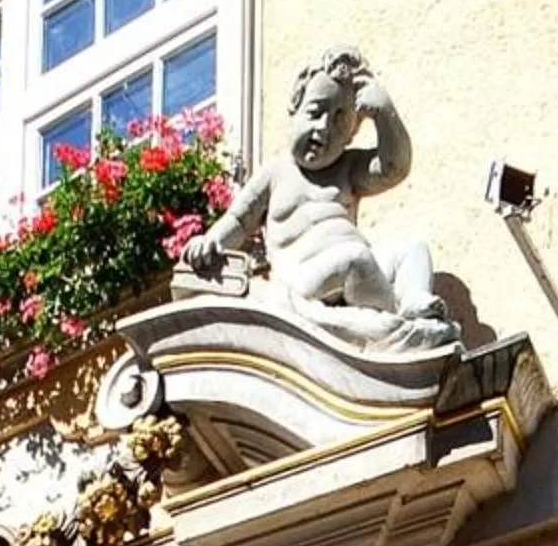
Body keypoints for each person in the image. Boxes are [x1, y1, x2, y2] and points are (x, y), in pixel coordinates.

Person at [183, 48, 457, 351]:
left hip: (357, 275)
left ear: (351, 134)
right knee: (356, 257)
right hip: (304, 279)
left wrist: (385, 113)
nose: (324, 128)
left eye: (340, 120)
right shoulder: (276, 172)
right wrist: (211, 242)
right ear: (295, 108)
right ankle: (396, 324)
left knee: (413, 249)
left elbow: (394, 167)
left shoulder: (348, 167)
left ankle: (414, 302)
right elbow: (238, 219)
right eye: (315, 113)